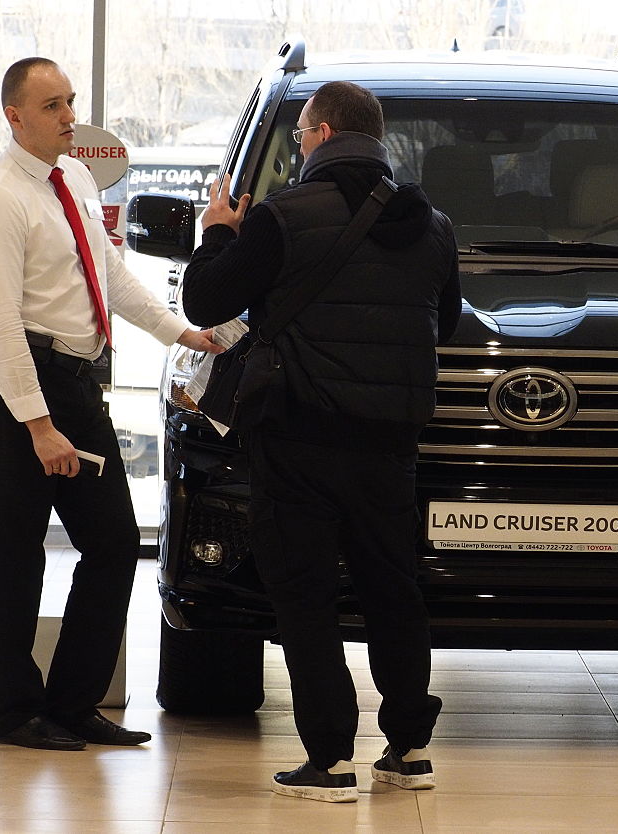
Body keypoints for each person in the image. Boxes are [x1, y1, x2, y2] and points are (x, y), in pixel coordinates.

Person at [181, 81, 461, 802]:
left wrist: (218, 233)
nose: (300, 145)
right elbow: (447, 321)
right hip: (390, 444)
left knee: (306, 596)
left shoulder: (281, 216)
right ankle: (406, 751)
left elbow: (205, 301)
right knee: (393, 590)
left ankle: (329, 759)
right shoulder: (432, 225)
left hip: (300, 437)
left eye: (303, 135)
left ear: (326, 131)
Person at [0, 57, 220, 751]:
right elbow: (2, 324)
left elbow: (111, 277)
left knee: (112, 543)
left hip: (73, 382)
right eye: (52, 106)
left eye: (70, 101)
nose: (70, 115)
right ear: (14, 116)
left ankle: (72, 705)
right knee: (18, 549)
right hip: (19, 383)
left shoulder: (71, 178)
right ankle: (16, 713)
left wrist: (183, 333)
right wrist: (38, 425)